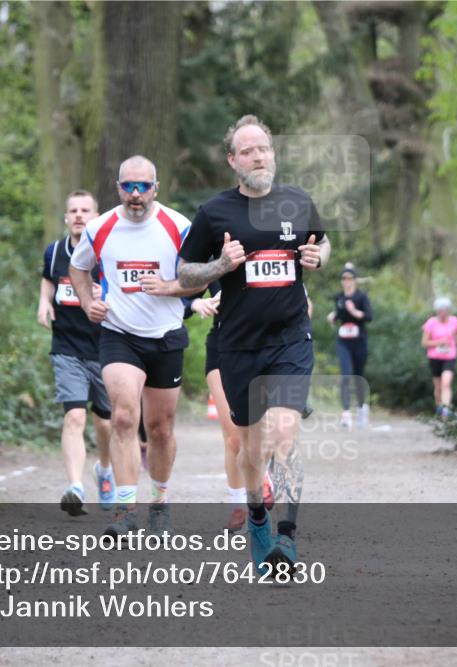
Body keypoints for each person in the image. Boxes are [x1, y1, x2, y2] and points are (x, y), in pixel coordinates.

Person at [178, 114, 331, 572]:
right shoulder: (214, 213)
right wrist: (220, 266)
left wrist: (317, 257)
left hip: (290, 337)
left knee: (283, 433)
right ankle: (258, 517)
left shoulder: (297, 201)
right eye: (247, 150)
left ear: (273, 153)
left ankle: (287, 539)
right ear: (233, 161)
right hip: (238, 345)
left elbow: (322, 246)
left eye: (263, 148)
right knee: (251, 448)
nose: (258, 156)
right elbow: (186, 273)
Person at [69, 156, 203, 538]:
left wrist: (172, 288)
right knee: (124, 418)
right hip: (119, 334)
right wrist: (85, 302)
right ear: (118, 188)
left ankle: (159, 501)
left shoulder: (179, 227)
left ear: (156, 188)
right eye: (129, 186)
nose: (136, 194)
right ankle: (125, 512)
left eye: (143, 186)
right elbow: (78, 268)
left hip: (166, 335)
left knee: (160, 429)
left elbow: (202, 276)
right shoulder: (100, 227)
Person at [38, 190, 115, 517]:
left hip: (106, 347)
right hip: (67, 347)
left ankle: (106, 471)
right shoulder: (55, 252)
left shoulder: (108, 252)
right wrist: (43, 302)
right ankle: (75, 487)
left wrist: (105, 292)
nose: (80, 215)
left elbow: (129, 289)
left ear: (96, 216)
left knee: (106, 423)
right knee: (74, 416)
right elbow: (48, 281)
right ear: (66, 217)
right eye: (74, 210)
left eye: (86, 210)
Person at [185, 284, 275, 533]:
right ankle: (239, 506)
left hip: (263, 346)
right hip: (223, 346)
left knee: (261, 432)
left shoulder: (269, 248)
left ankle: (262, 472)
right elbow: (182, 295)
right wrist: (195, 303)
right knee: (234, 437)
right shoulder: (215, 254)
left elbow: (299, 301)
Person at [326, 263, 373, 429]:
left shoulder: (361, 297)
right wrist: (333, 317)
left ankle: (361, 408)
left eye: (350, 278)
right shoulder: (340, 298)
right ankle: (345, 414)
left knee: (358, 376)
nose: (347, 281)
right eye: (344, 278)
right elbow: (339, 315)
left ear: (355, 280)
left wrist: (354, 312)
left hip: (359, 341)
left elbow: (369, 316)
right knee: (346, 375)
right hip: (343, 341)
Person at [421, 296, 457, 419]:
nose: (443, 312)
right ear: (437, 311)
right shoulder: (431, 323)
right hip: (434, 357)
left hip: (449, 356)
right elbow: (424, 342)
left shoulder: (455, 321)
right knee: (438, 386)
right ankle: (439, 408)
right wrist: (439, 342)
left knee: (446, 383)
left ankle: (445, 412)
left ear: (448, 310)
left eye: (445, 310)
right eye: (440, 310)